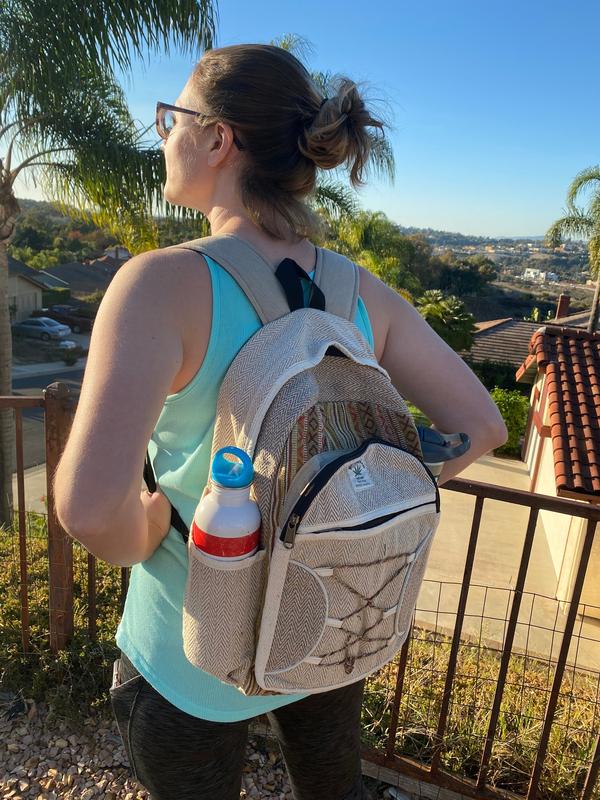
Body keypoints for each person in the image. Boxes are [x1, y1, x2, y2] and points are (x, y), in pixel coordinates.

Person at [54, 43, 508, 800]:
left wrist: (148, 524)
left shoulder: (160, 286)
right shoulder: (364, 295)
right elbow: (481, 428)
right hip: (322, 628)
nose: (164, 134)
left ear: (218, 137)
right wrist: (345, 503)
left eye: (173, 118)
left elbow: (90, 509)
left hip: (187, 657)